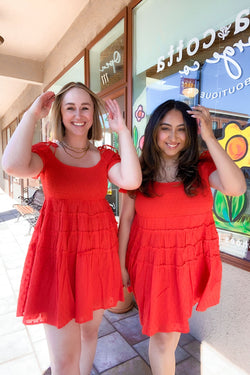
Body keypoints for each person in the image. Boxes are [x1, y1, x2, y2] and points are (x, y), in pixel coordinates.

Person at [2, 82, 142, 375]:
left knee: (89, 334)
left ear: (93, 114)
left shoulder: (105, 157)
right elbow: (12, 165)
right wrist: (30, 114)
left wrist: (123, 131)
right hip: (58, 259)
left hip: (96, 257)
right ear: (60, 114)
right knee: (64, 362)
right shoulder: (48, 154)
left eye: (85, 107)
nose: (78, 115)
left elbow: (131, 180)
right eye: (70, 108)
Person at [118, 99, 246, 375]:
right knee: (164, 337)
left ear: (191, 134)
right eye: (165, 128)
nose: (173, 137)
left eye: (181, 130)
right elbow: (126, 220)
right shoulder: (139, 171)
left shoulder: (201, 167)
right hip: (151, 263)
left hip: (189, 262)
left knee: (167, 336)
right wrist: (120, 266)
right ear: (154, 132)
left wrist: (210, 137)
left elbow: (236, 188)